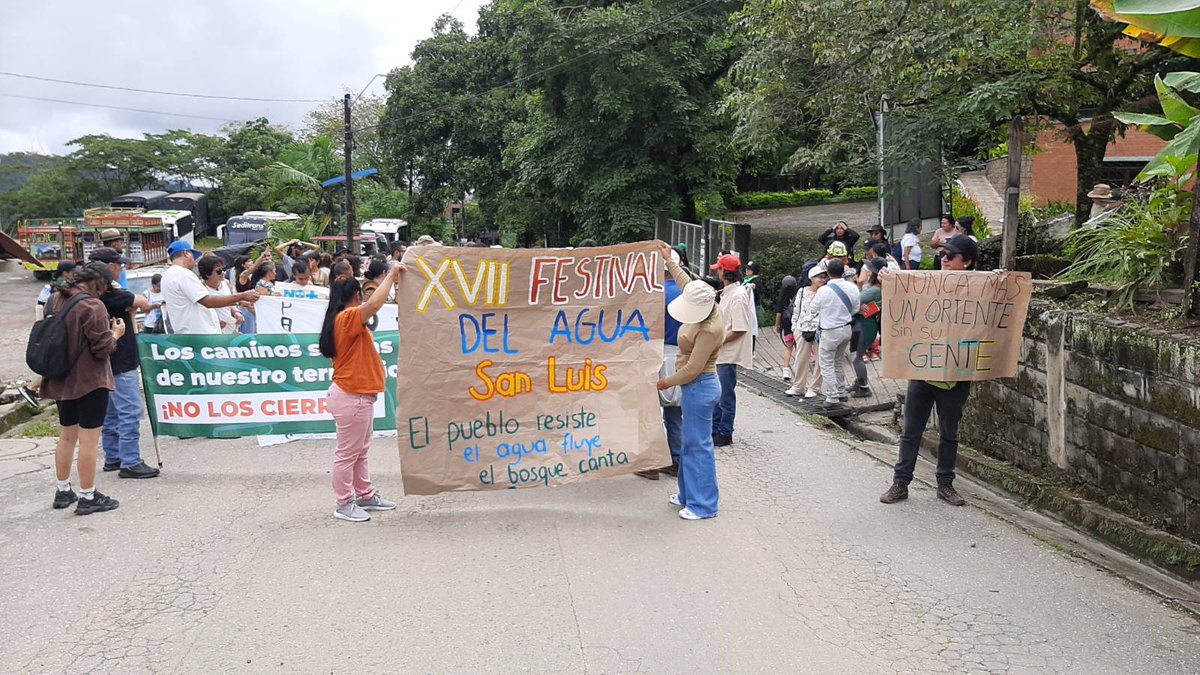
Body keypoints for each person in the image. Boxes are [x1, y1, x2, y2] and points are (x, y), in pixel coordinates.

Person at [881, 235, 985, 507]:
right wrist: (887, 280)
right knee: (911, 431)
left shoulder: (980, 289)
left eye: (950, 256)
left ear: (968, 262)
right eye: (942, 255)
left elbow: (999, 300)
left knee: (949, 433)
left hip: (955, 376)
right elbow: (902, 293)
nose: (944, 259)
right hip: (923, 370)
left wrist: (999, 281)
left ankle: (945, 484)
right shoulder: (926, 283)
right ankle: (900, 483)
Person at [318, 263, 403, 522]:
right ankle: (344, 502)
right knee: (348, 454)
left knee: (359, 451)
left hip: (356, 397)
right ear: (357, 296)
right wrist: (391, 275)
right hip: (351, 397)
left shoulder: (341, 319)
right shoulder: (347, 318)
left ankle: (365, 494)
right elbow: (375, 306)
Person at [41, 265, 123, 514]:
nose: (106, 292)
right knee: (89, 440)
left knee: (66, 436)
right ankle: (88, 496)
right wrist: (116, 334)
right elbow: (101, 347)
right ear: (98, 282)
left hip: (60, 378)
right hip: (89, 380)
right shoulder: (92, 306)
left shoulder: (55, 298)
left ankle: (63, 490)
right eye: (106, 286)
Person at [656, 241, 723, 521]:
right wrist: (669, 259)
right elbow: (687, 282)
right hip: (694, 387)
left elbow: (694, 368)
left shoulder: (710, 327)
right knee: (689, 444)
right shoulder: (703, 299)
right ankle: (687, 495)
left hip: (700, 386)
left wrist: (665, 382)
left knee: (698, 446)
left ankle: (704, 505)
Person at [638, 248, 687, 481]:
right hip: (684, 355)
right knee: (675, 411)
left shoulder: (654, 294)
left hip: (656, 354)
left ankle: (651, 463)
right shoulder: (689, 292)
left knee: (649, 410)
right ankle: (676, 459)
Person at [161, 241, 257, 335]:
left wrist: (237, 304)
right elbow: (208, 302)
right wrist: (242, 296)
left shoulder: (167, 275)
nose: (194, 261)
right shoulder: (183, 274)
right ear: (186, 253)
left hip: (187, 333)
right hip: (200, 334)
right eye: (193, 256)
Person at [709, 254, 754, 447]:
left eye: (719, 269)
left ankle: (725, 432)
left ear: (724, 272)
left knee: (725, 395)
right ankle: (716, 428)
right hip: (721, 352)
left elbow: (739, 328)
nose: (717, 272)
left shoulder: (738, 295)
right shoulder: (728, 292)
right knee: (718, 395)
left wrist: (717, 341)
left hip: (727, 353)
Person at [807, 258, 860, 405]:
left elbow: (812, 309)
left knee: (827, 363)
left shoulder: (824, 290)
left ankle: (832, 396)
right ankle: (841, 391)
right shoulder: (852, 287)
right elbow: (855, 308)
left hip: (830, 331)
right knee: (838, 361)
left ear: (828, 273)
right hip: (847, 328)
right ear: (843, 271)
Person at [785, 264, 826, 397]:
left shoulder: (825, 292)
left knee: (820, 359)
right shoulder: (802, 291)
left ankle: (815, 387)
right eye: (819, 277)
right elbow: (796, 309)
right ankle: (798, 385)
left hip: (820, 329)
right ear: (811, 278)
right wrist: (794, 327)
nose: (822, 279)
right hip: (803, 327)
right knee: (801, 358)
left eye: (824, 277)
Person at [198, 255, 244, 334]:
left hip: (229, 327)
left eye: (224, 269)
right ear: (207, 274)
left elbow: (230, 302)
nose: (223, 273)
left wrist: (236, 312)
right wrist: (216, 322)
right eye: (219, 271)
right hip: (211, 330)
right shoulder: (200, 287)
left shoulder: (226, 282)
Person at [774, 275, 800, 382]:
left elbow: (778, 314)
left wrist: (778, 326)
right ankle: (797, 365)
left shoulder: (781, 298)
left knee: (789, 348)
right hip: (797, 325)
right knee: (799, 347)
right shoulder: (799, 295)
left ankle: (785, 369)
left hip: (786, 324)